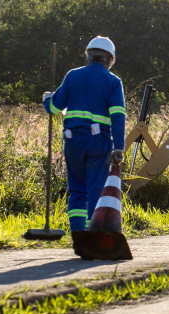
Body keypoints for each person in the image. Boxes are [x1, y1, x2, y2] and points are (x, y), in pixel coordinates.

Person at [43, 36, 126, 237]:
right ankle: (93, 234)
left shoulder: (72, 76)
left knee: (77, 190)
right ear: (110, 59)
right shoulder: (113, 81)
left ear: (88, 57)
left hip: (72, 141)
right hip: (98, 142)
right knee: (95, 190)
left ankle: (78, 234)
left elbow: (54, 108)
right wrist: (119, 147)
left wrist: (47, 98)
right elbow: (117, 116)